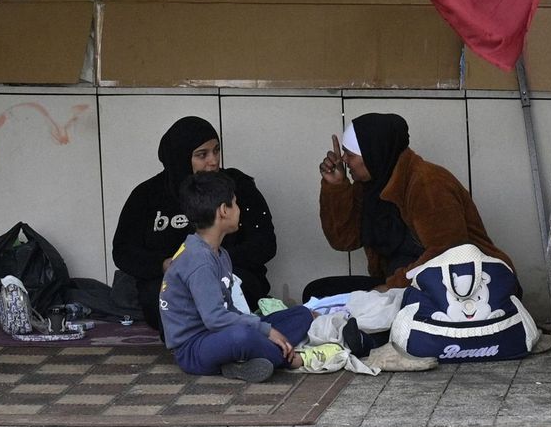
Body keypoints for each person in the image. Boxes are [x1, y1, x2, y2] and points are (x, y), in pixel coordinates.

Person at [306, 112, 515, 301]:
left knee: (363, 320)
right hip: (404, 284)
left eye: (350, 154)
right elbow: (344, 240)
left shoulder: (428, 183)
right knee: (318, 293)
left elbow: (448, 255)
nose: (344, 160)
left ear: (374, 154)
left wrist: (388, 289)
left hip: (462, 290)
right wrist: (337, 187)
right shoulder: (371, 185)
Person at [113, 116, 277, 329]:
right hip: (170, 280)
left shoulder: (237, 187)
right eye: (202, 155)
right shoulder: (147, 195)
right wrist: (165, 264)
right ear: (180, 158)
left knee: (230, 295)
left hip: (229, 276)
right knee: (159, 297)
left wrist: (214, 263)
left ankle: (222, 336)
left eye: (216, 151)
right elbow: (124, 251)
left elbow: (265, 244)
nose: (214, 161)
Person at [160, 172, 312, 383]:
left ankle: (240, 364)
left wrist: (264, 328)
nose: (239, 210)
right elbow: (215, 319)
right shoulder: (199, 260)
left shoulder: (219, 254)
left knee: (300, 315)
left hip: (218, 333)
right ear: (223, 210)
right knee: (243, 337)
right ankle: (288, 359)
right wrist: (265, 331)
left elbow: (228, 310)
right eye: (235, 203)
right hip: (194, 349)